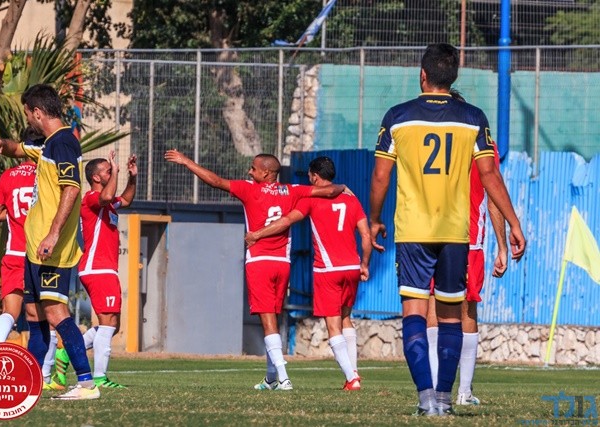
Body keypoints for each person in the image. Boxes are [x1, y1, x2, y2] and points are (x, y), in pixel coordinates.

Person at [369, 43, 526, 416]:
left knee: (414, 314)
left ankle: (426, 399)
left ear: (422, 74)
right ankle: (444, 399)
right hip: (455, 232)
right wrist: (515, 222)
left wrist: (374, 219)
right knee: (453, 317)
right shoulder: (472, 117)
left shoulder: (398, 117)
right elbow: (490, 175)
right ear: (453, 77)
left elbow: (380, 176)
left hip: (413, 231)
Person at [164, 150, 348, 391]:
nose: (249, 172)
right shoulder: (292, 190)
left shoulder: (249, 189)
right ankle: (271, 377)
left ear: (267, 173)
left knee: (268, 322)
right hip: (282, 264)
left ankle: (284, 378)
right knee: (274, 320)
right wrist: (343, 187)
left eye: (253, 168)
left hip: (260, 262)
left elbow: (215, 181)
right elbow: (330, 191)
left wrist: (187, 161)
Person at [0, 83, 99, 400]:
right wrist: (1, 143)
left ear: (37, 112)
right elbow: (17, 149)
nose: (27, 120)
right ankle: (32, 383)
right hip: (34, 250)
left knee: (56, 314)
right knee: (35, 317)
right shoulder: (48, 144)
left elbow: (71, 188)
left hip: (52, 250)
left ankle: (87, 384)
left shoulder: (63, 143)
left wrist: (53, 233)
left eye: (27, 114)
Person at [244, 156, 372, 391]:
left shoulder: (311, 200)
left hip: (327, 269)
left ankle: (352, 378)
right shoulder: (352, 200)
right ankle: (352, 373)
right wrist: (364, 263)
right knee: (346, 318)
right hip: (352, 268)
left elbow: (286, 221)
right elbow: (365, 235)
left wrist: (258, 234)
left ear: (314, 176)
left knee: (333, 325)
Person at [426, 90, 509, 406]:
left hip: (429, 234)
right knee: (466, 310)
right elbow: (494, 195)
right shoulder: (482, 143)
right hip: (469, 238)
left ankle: (434, 392)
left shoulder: (426, 140)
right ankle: (463, 392)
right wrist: (502, 245)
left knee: (433, 306)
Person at [54, 151, 137, 389]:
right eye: (107, 171)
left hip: (105, 269)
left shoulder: (107, 203)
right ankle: (99, 377)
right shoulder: (91, 198)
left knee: (112, 325)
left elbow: (126, 200)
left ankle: (66, 353)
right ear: (96, 177)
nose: (112, 172)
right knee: (108, 323)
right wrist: (116, 171)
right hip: (97, 268)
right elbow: (107, 195)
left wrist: (132, 176)